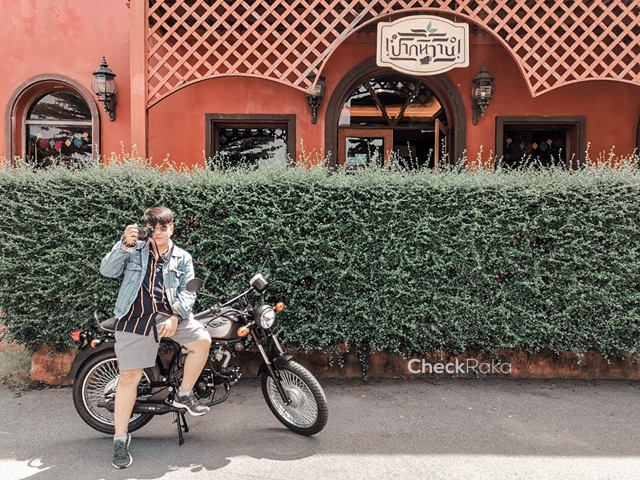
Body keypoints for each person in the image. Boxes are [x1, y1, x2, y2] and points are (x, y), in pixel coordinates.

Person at [100, 206, 212, 469]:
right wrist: (124, 244)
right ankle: (120, 440)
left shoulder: (182, 257)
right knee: (129, 378)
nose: (158, 232)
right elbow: (108, 270)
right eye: (152, 228)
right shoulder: (135, 249)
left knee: (202, 341)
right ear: (146, 228)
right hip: (134, 317)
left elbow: (188, 291)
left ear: (171, 228)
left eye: (163, 227)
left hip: (169, 317)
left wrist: (175, 316)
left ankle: (184, 394)